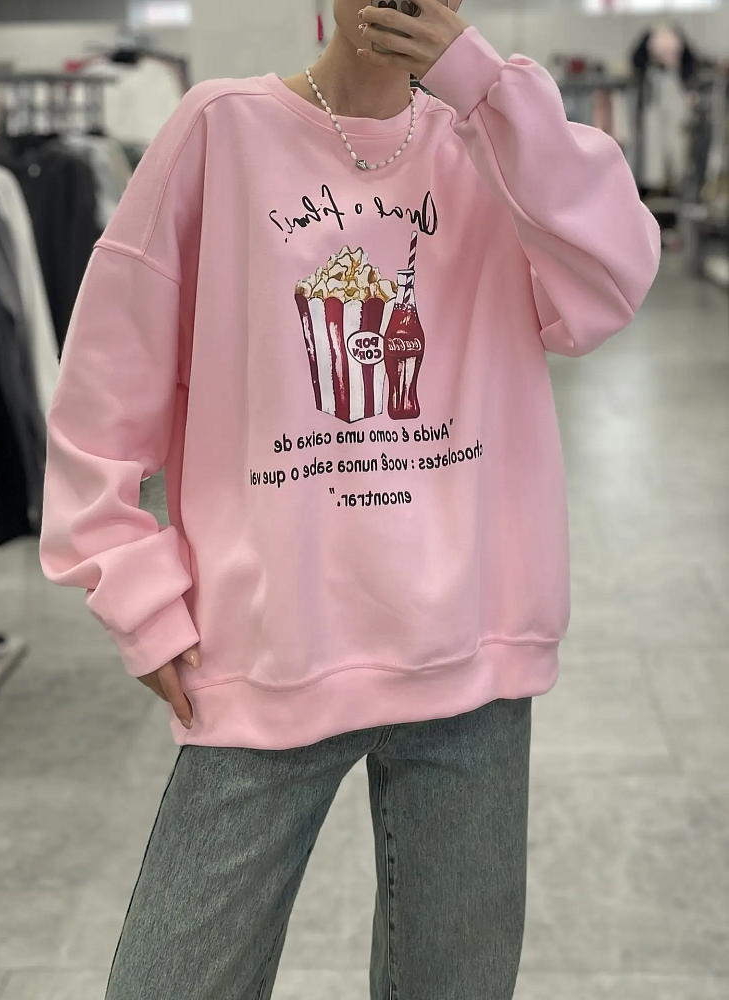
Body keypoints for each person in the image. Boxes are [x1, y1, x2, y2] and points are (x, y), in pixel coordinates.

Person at [40, 1, 660, 997]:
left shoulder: (497, 145)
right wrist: (137, 593)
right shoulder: (220, 131)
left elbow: (614, 277)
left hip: (471, 653)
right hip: (265, 649)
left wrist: (485, 90)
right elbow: (101, 399)